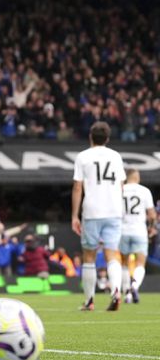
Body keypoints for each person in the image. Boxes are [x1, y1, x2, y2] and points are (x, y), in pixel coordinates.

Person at [71, 121, 126, 311]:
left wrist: (74, 216)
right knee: (112, 254)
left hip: (93, 211)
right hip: (114, 211)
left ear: (90, 137)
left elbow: (78, 187)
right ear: (108, 138)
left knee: (89, 256)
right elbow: (121, 185)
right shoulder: (116, 156)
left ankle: (89, 301)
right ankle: (116, 291)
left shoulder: (83, 157)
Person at [119, 169, 155, 304]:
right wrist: (151, 228)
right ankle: (134, 286)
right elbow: (151, 215)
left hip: (123, 230)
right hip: (139, 230)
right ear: (136, 177)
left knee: (124, 264)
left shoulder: (120, 190)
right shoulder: (144, 191)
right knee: (140, 264)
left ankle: (127, 294)